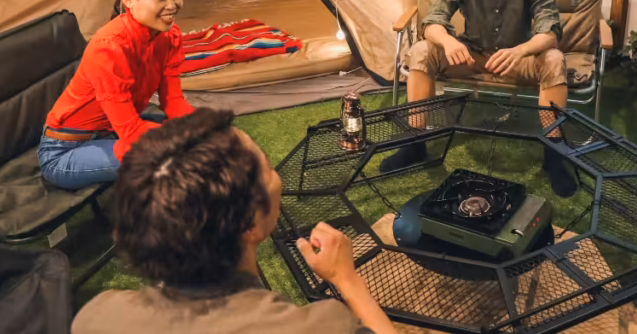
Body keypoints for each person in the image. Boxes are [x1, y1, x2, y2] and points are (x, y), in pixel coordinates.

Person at [72, 108, 397, 334]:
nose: (276, 177)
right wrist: (347, 279)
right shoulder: (317, 326)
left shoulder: (97, 316)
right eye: (267, 168)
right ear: (249, 224)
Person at [380, 0, 575, 197]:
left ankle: (554, 152)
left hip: (516, 57)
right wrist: (448, 41)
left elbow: (550, 32)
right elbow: (432, 23)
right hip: (470, 55)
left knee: (553, 60)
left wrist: (520, 51)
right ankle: (414, 143)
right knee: (421, 50)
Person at [38, 0, 195, 190]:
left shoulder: (168, 35)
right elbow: (131, 131)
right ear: (129, 0)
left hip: (110, 132)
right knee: (176, 159)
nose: (172, 5)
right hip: (64, 152)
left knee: (202, 134)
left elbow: (173, 102)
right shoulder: (109, 48)